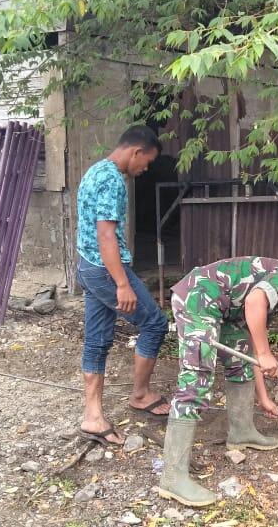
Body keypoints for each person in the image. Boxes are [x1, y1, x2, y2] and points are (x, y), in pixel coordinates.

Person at [158, 257, 278, 507]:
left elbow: (252, 343)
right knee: (196, 380)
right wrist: (264, 353)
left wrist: (263, 397)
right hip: (199, 299)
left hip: (223, 310)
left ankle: (241, 432)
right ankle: (173, 477)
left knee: (240, 359)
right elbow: (254, 301)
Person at [75, 125, 171, 445]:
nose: (145, 170)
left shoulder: (95, 171)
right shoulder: (113, 179)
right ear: (135, 152)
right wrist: (122, 283)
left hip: (89, 266)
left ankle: (93, 415)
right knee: (155, 323)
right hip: (104, 270)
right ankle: (140, 395)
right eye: (146, 162)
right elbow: (105, 235)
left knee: (98, 339)